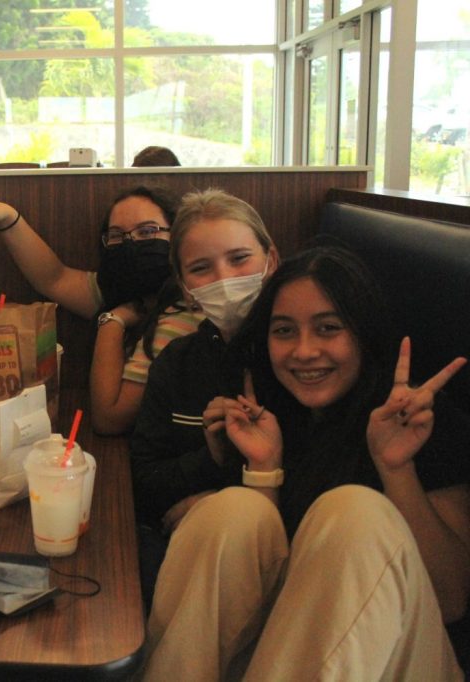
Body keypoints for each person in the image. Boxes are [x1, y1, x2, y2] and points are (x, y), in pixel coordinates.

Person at [142, 246, 470, 679]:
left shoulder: (421, 421)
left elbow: (449, 600)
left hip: (401, 659)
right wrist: (262, 468)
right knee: (233, 511)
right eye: (284, 331)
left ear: (364, 333)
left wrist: (395, 470)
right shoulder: (274, 414)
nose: (304, 351)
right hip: (293, 660)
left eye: (328, 328)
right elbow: (271, 592)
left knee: (355, 512)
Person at [0, 186, 204, 433]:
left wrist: (113, 320)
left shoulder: (180, 317)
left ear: (177, 236)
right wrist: (9, 220)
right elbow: (54, 278)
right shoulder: (125, 294)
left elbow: (108, 419)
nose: (131, 244)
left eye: (147, 232)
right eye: (117, 235)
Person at [128, 188, 279, 611]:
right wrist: (210, 459)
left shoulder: (300, 361)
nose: (225, 280)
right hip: (184, 551)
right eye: (201, 268)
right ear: (185, 288)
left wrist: (218, 503)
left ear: (272, 262)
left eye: (239, 259)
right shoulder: (176, 363)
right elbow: (142, 478)